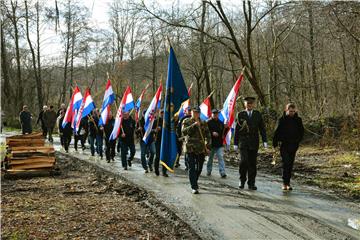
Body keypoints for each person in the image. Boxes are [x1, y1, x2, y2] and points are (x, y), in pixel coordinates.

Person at [234, 97, 267, 190]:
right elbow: (237, 130)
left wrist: (264, 140)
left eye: (251, 103)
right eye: (248, 103)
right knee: (244, 161)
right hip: (243, 141)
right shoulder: (240, 114)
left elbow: (262, 128)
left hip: (254, 141)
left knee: (252, 163)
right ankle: (242, 180)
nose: (250, 105)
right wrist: (235, 143)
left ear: (253, 104)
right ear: (245, 104)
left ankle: (251, 183)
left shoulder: (257, 114)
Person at [273, 103, 304, 191]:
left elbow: (302, 132)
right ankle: (284, 183)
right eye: (290, 111)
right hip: (284, 145)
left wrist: (298, 140)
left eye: (294, 111)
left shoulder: (298, 120)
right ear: (286, 110)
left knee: (290, 164)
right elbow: (276, 132)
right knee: (285, 163)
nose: (292, 113)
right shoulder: (282, 120)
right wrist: (275, 144)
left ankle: (288, 183)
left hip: (294, 145)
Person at [182, 106, 211, 194]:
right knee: (192, 167)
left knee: (199, 168)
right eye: (194, 112)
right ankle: (194, 186)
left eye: (197, 113)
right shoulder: (186, 121)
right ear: (191, 113)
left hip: (201, 148)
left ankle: (195, 180)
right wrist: (193, 125)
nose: (196, 114)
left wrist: (208, 146)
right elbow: (184, 132)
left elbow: (208, 135)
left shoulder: (203, 122)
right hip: (190, 147)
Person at [206, 109, 228, 178]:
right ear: (211, 114)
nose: (215, 115)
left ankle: (222, 172)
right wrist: (212, 133)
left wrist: (226, 128)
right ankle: (208, 170)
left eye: (217, 114)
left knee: (220, 157)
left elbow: (223, 134)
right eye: (214, 114)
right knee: (210, 158)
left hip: (219, 144)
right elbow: (205, 132)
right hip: (211, 144)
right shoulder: (208, 122)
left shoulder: (221, 123)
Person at [154, 109, 168, 177]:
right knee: (158, 156)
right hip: (158, 141)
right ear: (160, 114)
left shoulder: (167, 122)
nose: (163, 114)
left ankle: (164, 171)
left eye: (164, 113)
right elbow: (151, 130)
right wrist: (155, 130)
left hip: (165, 141)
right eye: (161, 113)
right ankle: (156, 170)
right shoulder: (156, 121)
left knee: (165, 156)